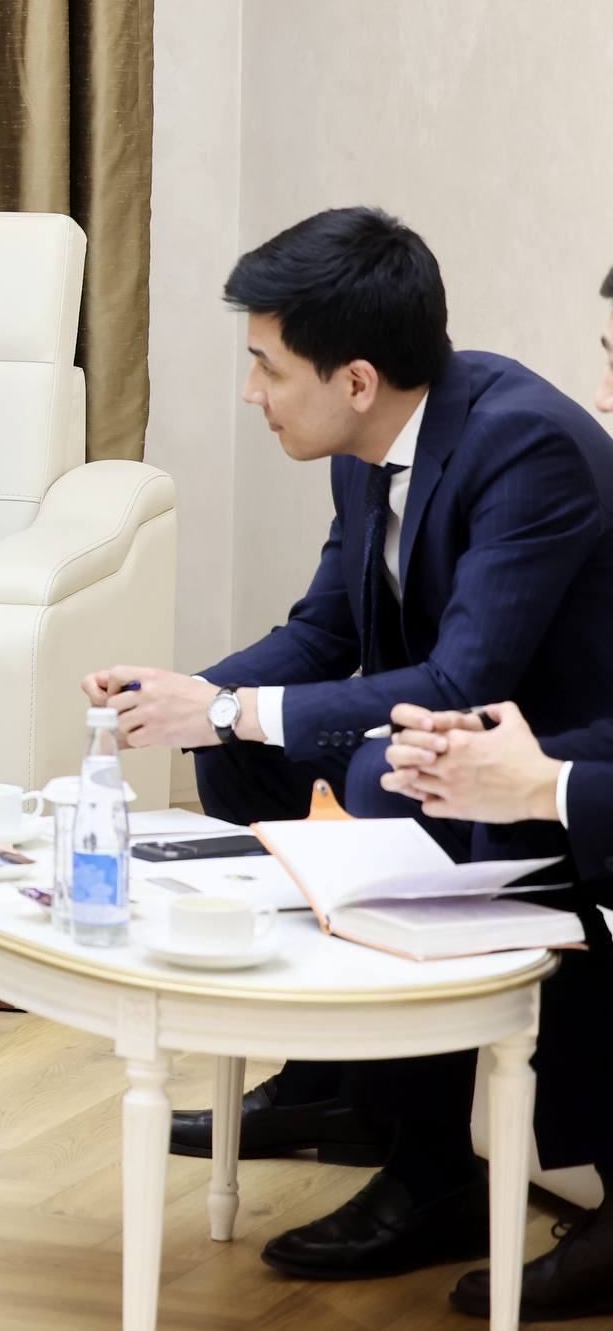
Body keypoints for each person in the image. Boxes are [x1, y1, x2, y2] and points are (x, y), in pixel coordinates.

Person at [85, 212, 613, 1282]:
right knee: (241, 746)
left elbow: (462, 684)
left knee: (379, 771)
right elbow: (326, 628)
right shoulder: (367, 450)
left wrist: (231, 709)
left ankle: (430, 1170)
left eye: (267, 367)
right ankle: (332, 1077)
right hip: (452, 730)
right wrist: (200, 695)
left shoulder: (525, 446)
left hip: (557, 749)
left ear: (357, 380)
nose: (252, 392)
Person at [366, 269, 613, 1322]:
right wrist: (518, 759)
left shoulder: (528, 446)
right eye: (608, 357)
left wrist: (550, 782)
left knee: (549, 841)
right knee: (460, 797)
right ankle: (411, 1147)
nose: (602, 395)